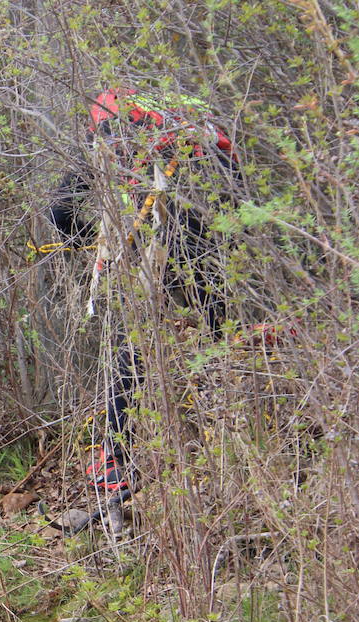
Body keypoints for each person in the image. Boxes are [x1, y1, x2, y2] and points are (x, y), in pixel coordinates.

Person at [49, 87, 236, 494]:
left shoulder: (99, 141)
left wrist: (82, 241)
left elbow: (59, 208)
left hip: (147, 237)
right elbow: (232, 179)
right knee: (217, 322)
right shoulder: (185, 127)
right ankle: (230, 429)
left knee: (131, 345)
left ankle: (115, 454)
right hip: (200, 230)